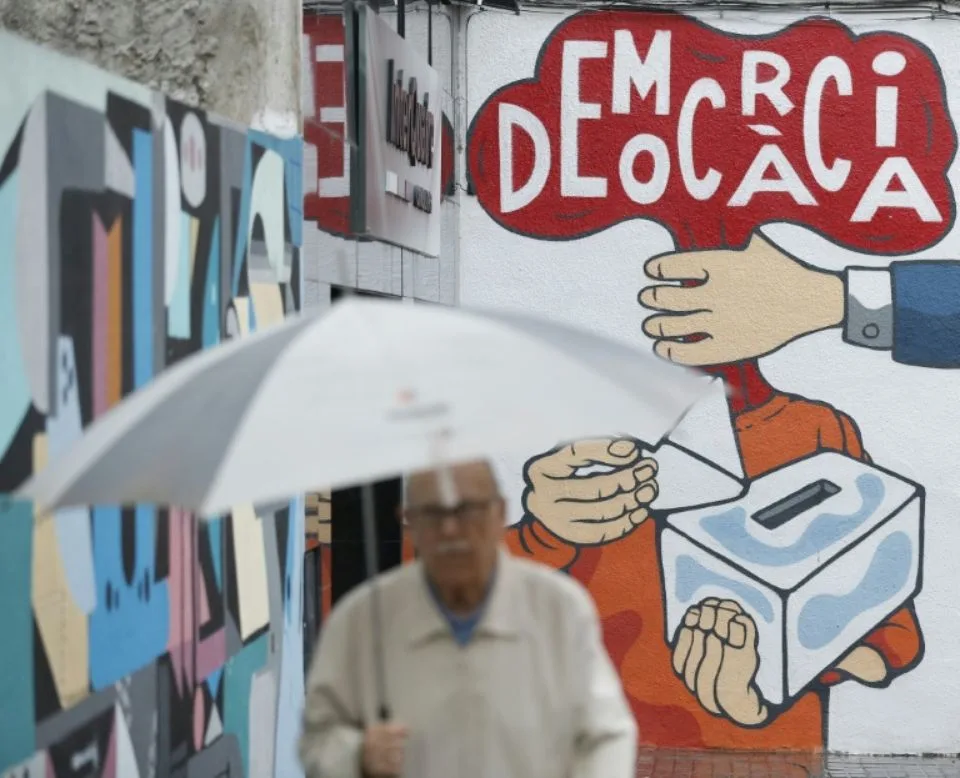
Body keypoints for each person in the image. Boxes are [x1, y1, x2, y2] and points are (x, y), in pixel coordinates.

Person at [298, 459, 636, 778]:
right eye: (432, 513)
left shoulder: (557, 608)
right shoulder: (360, 620)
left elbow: (606, 735)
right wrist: (357, 754)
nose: (450, 529)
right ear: (409, 521)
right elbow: (315, 741)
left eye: (467, 510)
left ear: (499, 513)